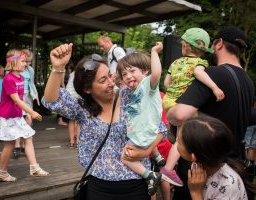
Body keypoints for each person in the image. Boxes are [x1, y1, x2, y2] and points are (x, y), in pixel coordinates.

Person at [42, 43, 158, 200]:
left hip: (137, 184)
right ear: (87, 89)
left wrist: (145, 152)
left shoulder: (131, 96)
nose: (111, 83)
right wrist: (58, 68)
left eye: (110, 76)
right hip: (100, 187)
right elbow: (50, 100)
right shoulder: (82, 109)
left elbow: (160, 128)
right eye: (103, 80)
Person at [166, 26, 255, 199]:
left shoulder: (212, 74)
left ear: (219, 43)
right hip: (234, 167)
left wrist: (169, 112)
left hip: (202, 169)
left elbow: (179, 115)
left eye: (213, 45)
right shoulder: (248, 81)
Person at [160, 28, 225, 187]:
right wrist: (215, 87)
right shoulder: (200, 63)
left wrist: (177, 86)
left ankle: (172, 134)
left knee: (176, 131)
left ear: (186, 46)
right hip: (182, 103)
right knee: (183, 138)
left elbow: (166, 84)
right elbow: (199, 74)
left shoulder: (175, 63)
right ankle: (168, 169)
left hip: (168, 102)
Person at [116, 44, 177, 196]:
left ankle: (149, 175)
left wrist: (154, 52)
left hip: (144, 132)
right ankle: (157, 156)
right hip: (147, 129)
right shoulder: (133, 91)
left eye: (132, 71)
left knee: (125, 157)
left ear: (145, 71)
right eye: (124, 74)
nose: (128, 76)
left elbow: (156, 73)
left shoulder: (148, 85)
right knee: (146, 137)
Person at [0, 49, 49, 182]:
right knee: (10, 145)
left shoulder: (21, 78)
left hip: (16, 115)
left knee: (28, 136)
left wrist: (26, 113)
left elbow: (21, 100)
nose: (26, 64)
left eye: (26, 61)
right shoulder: (8, 79)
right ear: (14, 63)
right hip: (7, 117)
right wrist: (32, 112)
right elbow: (16, 100)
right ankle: (2, 172)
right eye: (23, 61)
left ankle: (34, 167)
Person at [178, 115, 252, 199]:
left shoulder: (228, 186)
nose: (176, 139)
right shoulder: (200, 165)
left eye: (179, 142)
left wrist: (196, 193)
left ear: (193, 156)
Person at [13, 49, 40, 159]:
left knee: (28, 120)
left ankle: (26, 144)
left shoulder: (30, 70)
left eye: (29, 61)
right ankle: (16, 146)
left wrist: (36, 95)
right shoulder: (14, 69)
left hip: (27, 97)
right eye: (25, 61)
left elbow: (32, 84)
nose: (27, 63)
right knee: (17, 120)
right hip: (17, 97)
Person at [65, 60, 80, 148]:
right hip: (76, 97)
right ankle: (77, 142)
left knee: (71, 120)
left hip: (68, 97)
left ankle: (71, 142)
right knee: (78, 121)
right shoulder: (81, 74)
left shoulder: (72, 74)